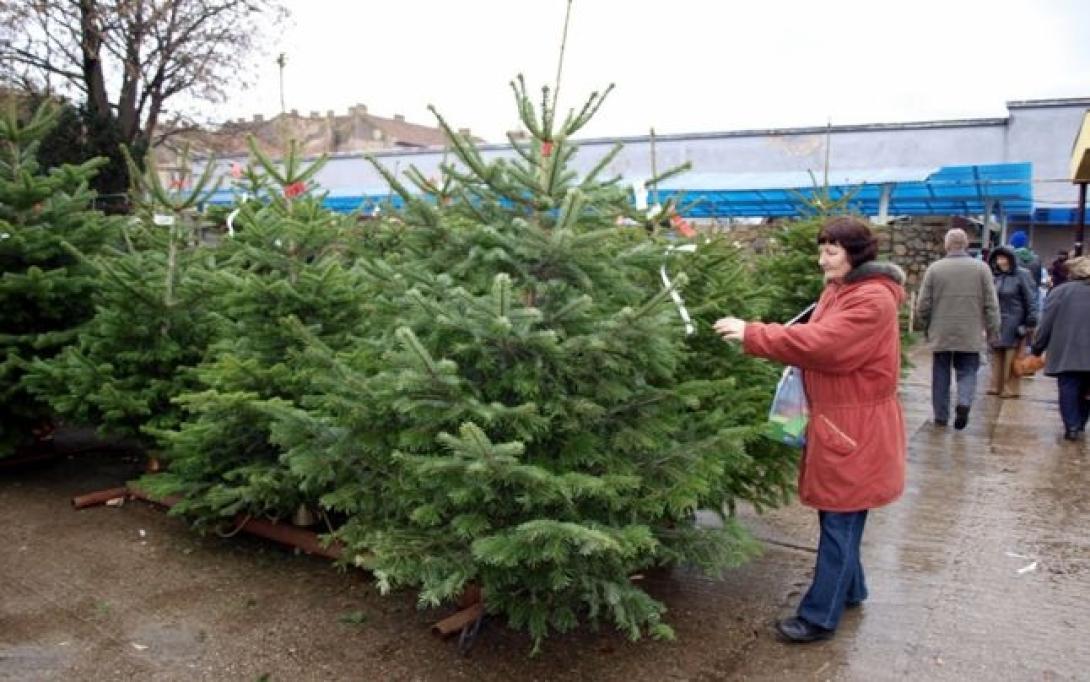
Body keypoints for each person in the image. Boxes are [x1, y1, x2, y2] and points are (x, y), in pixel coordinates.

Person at [715, 216, 906, 644]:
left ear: (856, 253)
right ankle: (851, 590)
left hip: (856, 427)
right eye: (820, 250)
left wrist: (753, 334)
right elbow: (813, 331)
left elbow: (824, 345)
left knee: (841, 518)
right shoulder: (841, 290)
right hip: (839, 422)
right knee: (841, 514)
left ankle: (819, 617)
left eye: (831, 252)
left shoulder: (871, 300)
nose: (822, 261)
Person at [915, 229, 1000, 429]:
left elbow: (923, 304)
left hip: (941, 331)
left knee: (941, 374)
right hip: (970, 331)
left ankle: (941, 416)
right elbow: (991, 303)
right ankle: (964, 402)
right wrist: (993, 329)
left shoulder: (935, 269)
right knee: (968, 371)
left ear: (946, 245)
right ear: (966, 245)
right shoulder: (982, 269)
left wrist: (924, 325)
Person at [1030, 256, 1090, 440]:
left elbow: (1046, 322)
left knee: (1068, 386)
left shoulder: (1060, 292)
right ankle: (1080, 422)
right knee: (1087, 389)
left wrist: (1037, 346)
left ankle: (1071, 426)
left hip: (1067, 350)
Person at [987, 246, 1038, 398]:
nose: (1000, 261)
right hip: (999, 321)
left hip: (1015, 322)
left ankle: (1010, 388)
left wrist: (1030, 322)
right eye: (997, 258)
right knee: (996, 354)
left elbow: (1031, 300)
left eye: (1003, 258)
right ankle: (996, 385)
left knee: (1012, 356)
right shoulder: (997, 276)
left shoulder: (1022, 275)